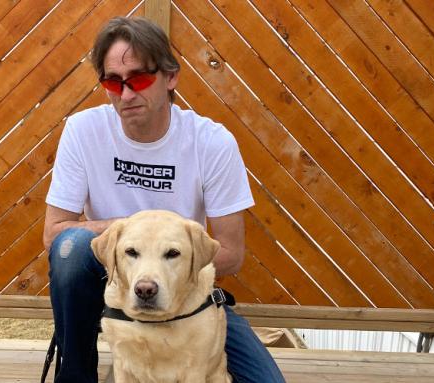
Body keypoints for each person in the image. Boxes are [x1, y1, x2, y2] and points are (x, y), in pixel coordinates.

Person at [43, 16, 286, 383]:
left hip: (187, 301)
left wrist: (170, 252)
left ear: (170, 77)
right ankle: (76, 374)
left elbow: (231, 254)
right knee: (71, 247)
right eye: (113, 82)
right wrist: (132, 232)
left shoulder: (211, 142)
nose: (125, 95)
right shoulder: (83, 131)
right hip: (115, 288)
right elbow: (55, 234)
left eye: (139, 79)